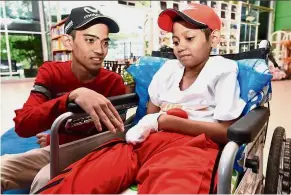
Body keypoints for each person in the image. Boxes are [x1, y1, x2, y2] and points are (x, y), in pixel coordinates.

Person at [38, 3, 246, 194]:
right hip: (146, 142)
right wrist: (155, 124)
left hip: (191, 147)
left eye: (189, 38)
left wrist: (168, 121)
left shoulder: (222, 69)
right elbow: (150, 118)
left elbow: (225, 132)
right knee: (78, 181)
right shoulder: (168, 70)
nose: (180, 46)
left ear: (214, 39)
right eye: (175, 40)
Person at [1, 6, 127, 194]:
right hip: (58, 150)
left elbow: (112, 135)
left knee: (45, 181)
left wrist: (57, 135)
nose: (100, 50)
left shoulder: (113, 81)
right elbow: (23, 124)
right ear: (68, 42)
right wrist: (72, 96)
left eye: (105, 42)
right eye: (90, 40)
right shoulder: (51, 72)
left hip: (93, 154)